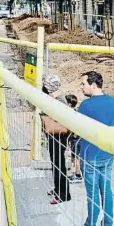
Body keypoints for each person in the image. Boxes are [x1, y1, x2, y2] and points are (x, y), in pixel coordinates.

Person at [72, 71, 114, 226]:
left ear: (93, 85)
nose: (82, 87)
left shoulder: (85, 105)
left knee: (93, 192)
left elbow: (77, 129)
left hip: (90, 154)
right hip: (108, 154)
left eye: (83, 84)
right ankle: (108, 224)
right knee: (107, 189)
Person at [42, 74, 71, 205]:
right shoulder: (58, 99)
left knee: (59, 166)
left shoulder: (59, 101)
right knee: (56, 164)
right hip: (55, 136)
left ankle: (63, 195)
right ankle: (58, 189)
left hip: (59, 137)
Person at [65, 94, 82, 184]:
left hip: (76, 138)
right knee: (73, 156)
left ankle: (78, 174)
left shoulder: (72, 114)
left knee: (76, 157)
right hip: (74, 138)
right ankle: (75, 172)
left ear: (69, 104)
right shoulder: (75, 112)